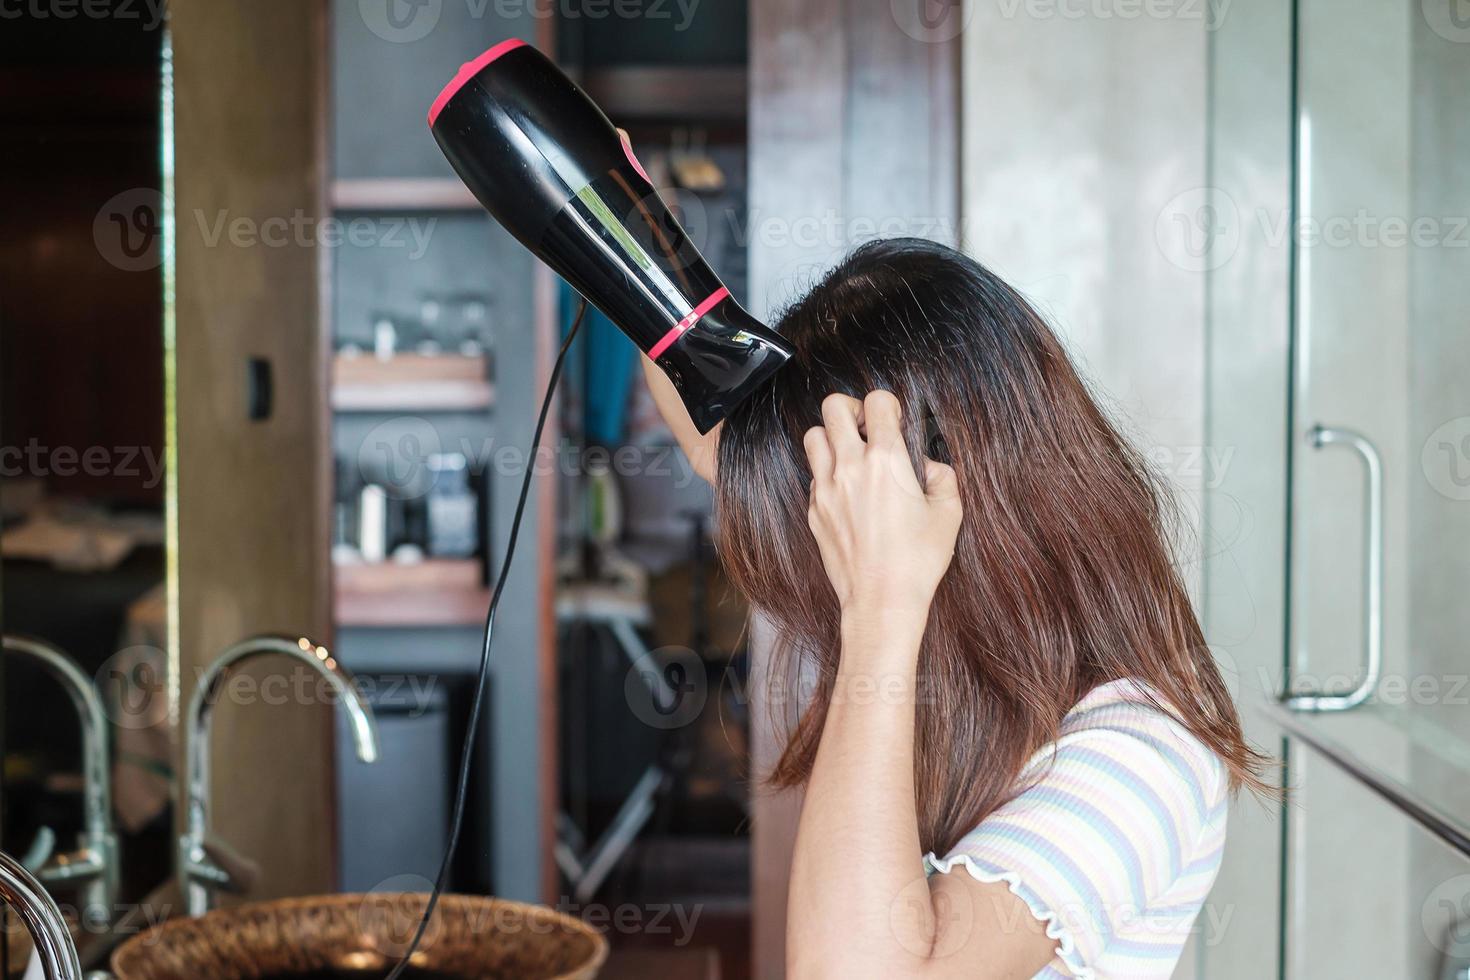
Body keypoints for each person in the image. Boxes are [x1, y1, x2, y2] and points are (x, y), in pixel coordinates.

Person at [643, 238, 1268, 978]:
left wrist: (879, 604)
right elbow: (715, 438)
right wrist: (618, 224)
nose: (820, 575)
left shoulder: (1140, 756)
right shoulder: (970, 685)